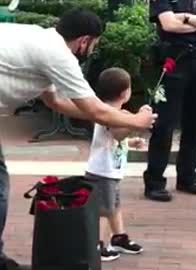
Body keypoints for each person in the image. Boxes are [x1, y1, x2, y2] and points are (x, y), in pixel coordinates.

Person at [0, 9, 156, 270]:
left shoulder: (42, 41)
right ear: (84, 40)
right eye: (94, 45)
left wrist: (110, 119)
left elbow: (57, 102)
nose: (91, 50)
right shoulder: (58, 55)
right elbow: (94, 108)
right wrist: (136, 122)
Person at [144, 0, 196, 202]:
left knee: (195, 123)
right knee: (164, 124)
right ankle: (155, 182)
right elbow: (168, 24)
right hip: (173, 62)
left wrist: (185, 18)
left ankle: (187, 177)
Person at [84, 67, 145, 262]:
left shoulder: (115, 113)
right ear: (124, 93)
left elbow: (117, 138)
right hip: (102, 172)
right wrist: (137, 122)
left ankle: (119, 237)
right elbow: (118, 133)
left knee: (114, 205)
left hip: (112, 172)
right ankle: (97, 245)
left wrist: (132, 140)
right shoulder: (108, 114)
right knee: (104, 209)